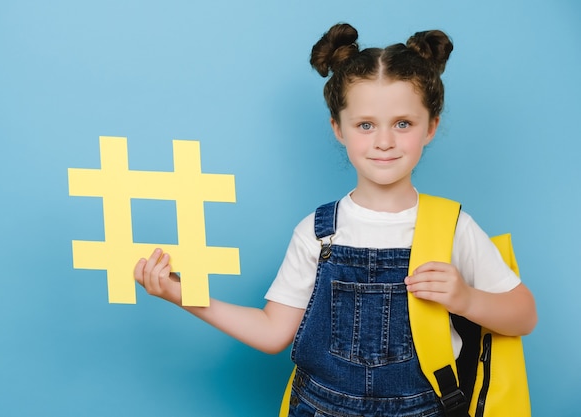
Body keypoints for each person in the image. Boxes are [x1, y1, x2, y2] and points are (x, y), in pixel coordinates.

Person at [134, 22, 537, 417]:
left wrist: (466, 299)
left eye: (403, 123)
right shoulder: (318, 230)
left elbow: (523, 314)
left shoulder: (450, 226)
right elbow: (274, 332)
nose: (384, 141)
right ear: (338, 129)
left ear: (430, 126)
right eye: (365, 125)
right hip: (319, 407)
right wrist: (179, 293)